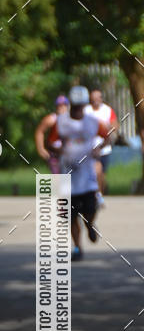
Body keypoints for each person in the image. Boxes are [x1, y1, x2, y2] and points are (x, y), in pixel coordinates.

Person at [46, 85, 109, 261]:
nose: (78, 109)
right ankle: (77, 247)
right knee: (71, 217)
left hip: (87, 177)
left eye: (81, 105)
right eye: (75, 105)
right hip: (68, 176)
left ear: (85, 105)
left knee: (90, 210)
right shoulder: (61, 122)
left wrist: (99, 148)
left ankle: (90, 225)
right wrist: (59, 152)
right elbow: (49, 142)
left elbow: (107, 135)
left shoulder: (92, 122)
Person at [84, 87, 118, 204]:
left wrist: (107, 130)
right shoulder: (86, 110)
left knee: (101, 173)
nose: (96, 100)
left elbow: (115, 126)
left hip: (104, 148)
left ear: (101, 98)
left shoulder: (107, 110)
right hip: (88, 148)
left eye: (98, 98)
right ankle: (93, 194)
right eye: (93, 98)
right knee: (92, 172)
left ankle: (99, 194)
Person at [34, 95, 69, 173]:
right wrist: (41, 149)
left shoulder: (72, 119)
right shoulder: (51, 119)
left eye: (63, 105)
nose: (61, 107)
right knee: (58, 178)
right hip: (54, 154)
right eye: (59, 105)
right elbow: (39, 132)